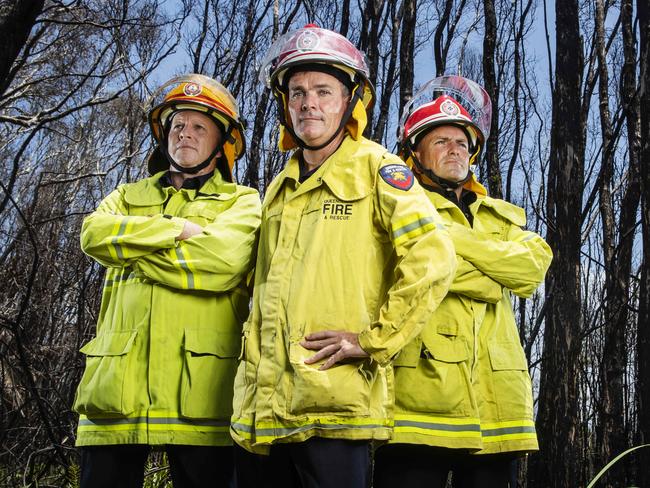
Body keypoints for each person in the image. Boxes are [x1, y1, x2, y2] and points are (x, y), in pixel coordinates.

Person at [230, 25, 456, 488]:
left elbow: (432, 258)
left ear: (351, 101)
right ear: (285, 104)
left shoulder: (378, 168)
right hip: (263, 414)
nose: (308, 103)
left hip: (335, 404)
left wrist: (372, 341)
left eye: (323, 91)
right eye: (297, 92)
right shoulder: (278, 188)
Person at [73, 74, 261, 488]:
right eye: (177, 126)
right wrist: (176, 229)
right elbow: (93, 235)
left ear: (221, 143)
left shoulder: (243, 201)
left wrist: (136, 250)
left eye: (199, 127)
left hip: (202, 396)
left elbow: (220, 262)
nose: (185, 135)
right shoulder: (126, 195)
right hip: (116, 393)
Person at [373, 75, 553, 488]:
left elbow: (529, 271)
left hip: (499, 405)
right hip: (420, 404)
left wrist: (448, 239)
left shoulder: (504, 215)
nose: (454, 150)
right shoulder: (398, 209)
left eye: (461, 142)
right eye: (440, 141)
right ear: (414, 153)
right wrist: (494, 274)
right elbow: (408, 269)